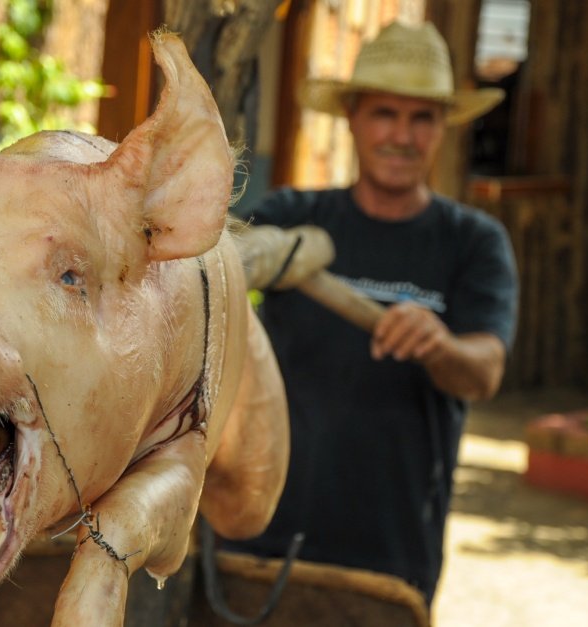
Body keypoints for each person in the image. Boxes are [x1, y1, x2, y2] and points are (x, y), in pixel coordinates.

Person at [226, 21, 519, 606]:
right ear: (354, 118)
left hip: (392, 545)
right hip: (264, 531)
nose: (402, 136)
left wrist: (441, 344)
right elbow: (210, 273)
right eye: (385, 113)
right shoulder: (290, 217)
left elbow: (484, 372)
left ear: (442, 129)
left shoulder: (473, 242)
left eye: (422, 118)